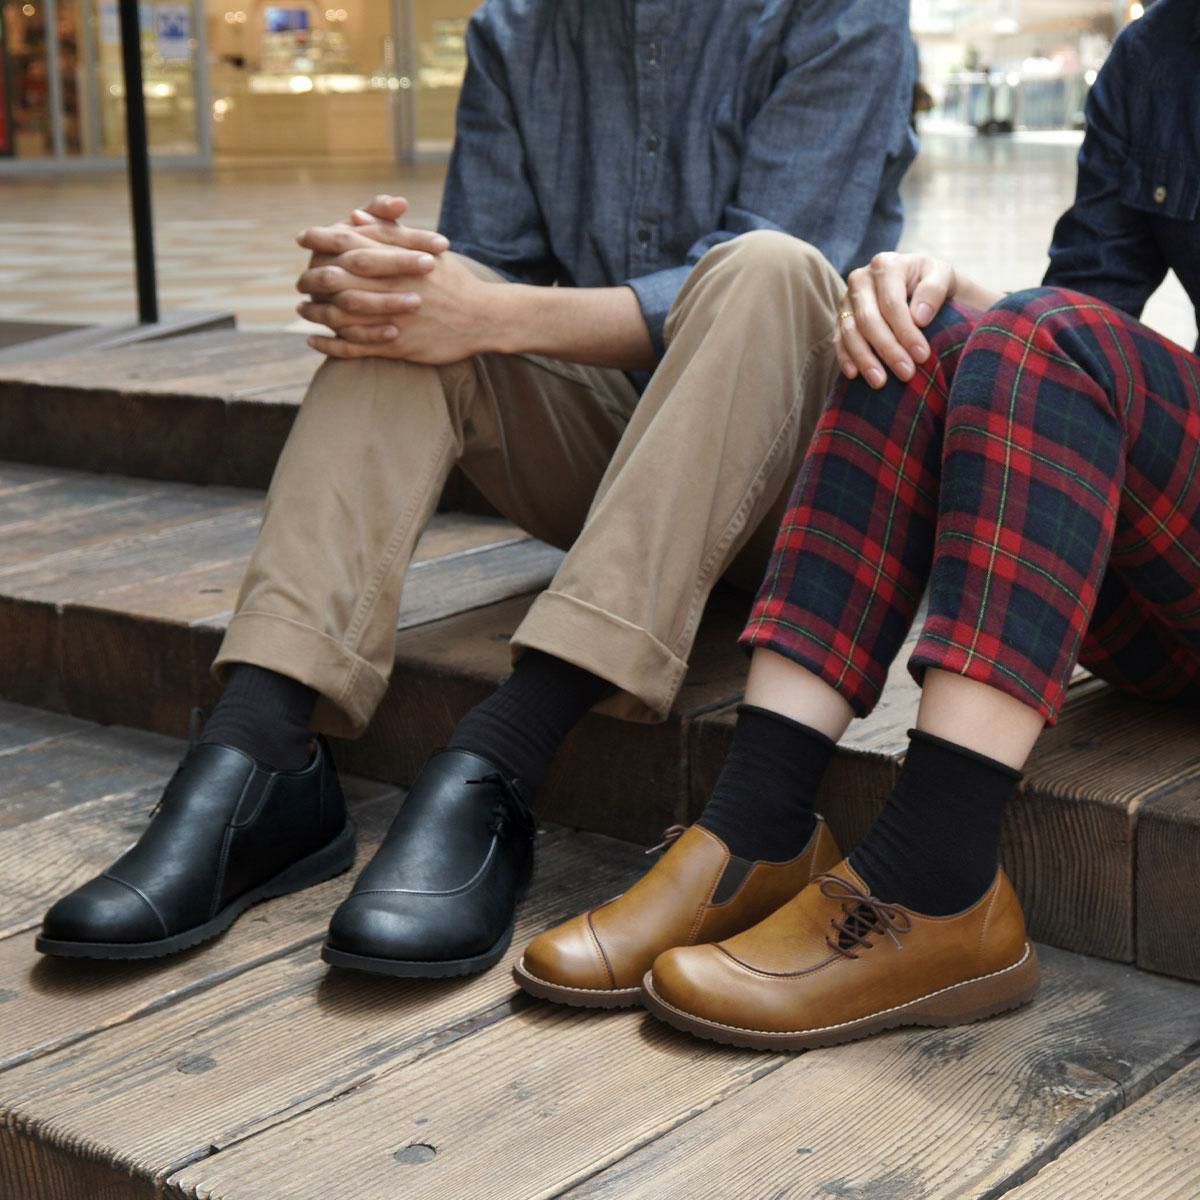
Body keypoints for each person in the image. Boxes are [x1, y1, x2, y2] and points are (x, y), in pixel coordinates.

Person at [35, 0, 918, 974]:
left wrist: (485, 310)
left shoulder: (841, 13)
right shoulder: (517, 28)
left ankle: (503, 753)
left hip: (805, 488)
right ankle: (260, 753)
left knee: (767, 266)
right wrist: (382, 281)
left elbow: (800, 281)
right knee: (408, 315)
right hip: (617, 463)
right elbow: (491, 275)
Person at [519, 0, 1200, 1048]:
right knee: (916, 336)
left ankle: (937, 878)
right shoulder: (1158, 52)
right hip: (1164, 595)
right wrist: (950, 298)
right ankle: (755, 826)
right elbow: (1083, 321)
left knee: (1031, 336)